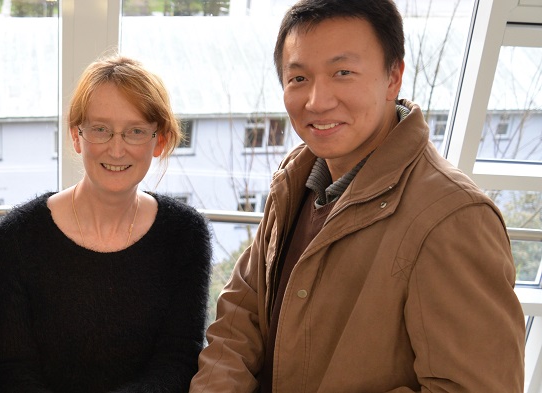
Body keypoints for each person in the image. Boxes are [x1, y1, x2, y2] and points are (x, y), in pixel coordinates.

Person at [190, 0, 526, 392]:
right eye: (298, 78)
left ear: (394, 77)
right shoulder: (296, 179)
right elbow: (239, 318)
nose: (317, 101)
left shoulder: (453, 217)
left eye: (343, 72)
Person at [0, 55, 213, 393]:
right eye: (100, 130)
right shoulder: (16, 238)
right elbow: (13, 367)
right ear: (77, 136)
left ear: (159, 140)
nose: (116, 149)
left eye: (135, 131)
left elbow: (179, 359)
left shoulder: (185, 235)